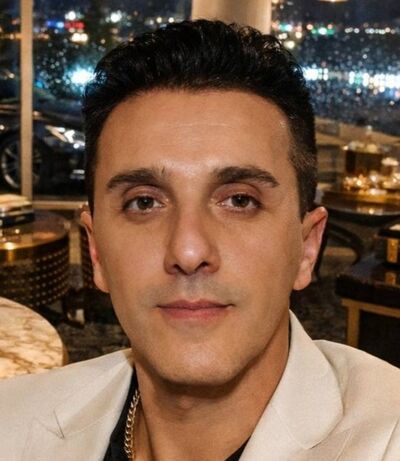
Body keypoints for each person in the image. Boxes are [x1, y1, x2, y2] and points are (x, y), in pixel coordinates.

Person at [1, 20, 399, 461]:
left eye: (240, 201)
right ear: (96, 252)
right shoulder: (11, 421)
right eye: (144, 203)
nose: (189, 252)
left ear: (307, 248)